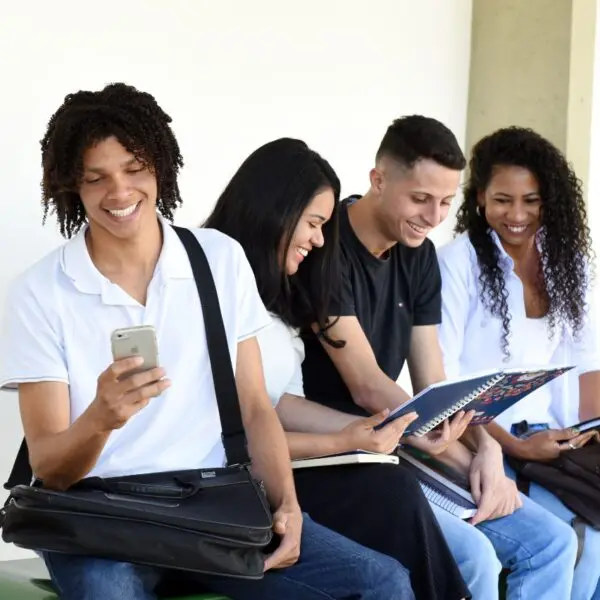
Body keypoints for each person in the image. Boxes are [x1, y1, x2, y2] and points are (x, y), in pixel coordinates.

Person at [0, 83, 415, 600]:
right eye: (95, 178)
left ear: (160, 168)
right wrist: (101, 418)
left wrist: (286, 503)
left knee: (382, 583)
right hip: (97, 520)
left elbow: (256, 408)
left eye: (134, 169)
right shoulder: (41, 292)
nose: (120, 192)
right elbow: (51, 468)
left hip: (210, 507)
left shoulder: (217, 260)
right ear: (72, 186)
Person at [300, 115, 579, 600]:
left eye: (446, 202)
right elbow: (366, 383)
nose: (433, 217)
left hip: (399, 434)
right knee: (475, 557)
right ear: (378, 180)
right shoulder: (328, 248)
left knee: (551, 542)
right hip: (342, 445)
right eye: (420, 199)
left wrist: (486, 449)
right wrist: (450, 443)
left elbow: (432, 376)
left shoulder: (419, 254)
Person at [204, 137, 470, 600]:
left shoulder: (280, 296)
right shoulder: (205, 279)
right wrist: (342, 439)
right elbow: (229, 436)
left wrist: (371, 429)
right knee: (389, 493)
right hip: (232, 481)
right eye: (312, 223)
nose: (320, 239)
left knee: (390, 486)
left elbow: (281, 403)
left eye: (324, 225)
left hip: (277, 469)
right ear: (275, 211)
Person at [437, 126, 600, 600]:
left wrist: (589, 431)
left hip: (552, 443)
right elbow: (444, 376)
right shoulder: (458, 262)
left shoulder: (568, 264)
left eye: (531, 200)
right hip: (480, 440)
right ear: (480, 197)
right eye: (503, 200)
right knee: (555, 542)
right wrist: (515, 447)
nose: (517, 214)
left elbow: (586, 360)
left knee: (593, 545)